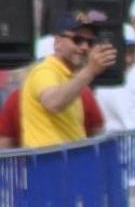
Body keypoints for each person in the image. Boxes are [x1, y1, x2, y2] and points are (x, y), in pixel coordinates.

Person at [19, 11, 116, 148]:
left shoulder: (71, 76)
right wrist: (90, 70)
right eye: (77, 40)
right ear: (58, 42)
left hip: (68, 164)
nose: (84, 47)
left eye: (90, 42)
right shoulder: (45, 70)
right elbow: (53, 102)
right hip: (48, 165)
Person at [95, 24, 135, 131]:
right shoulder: (104, 81)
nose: (128, 59)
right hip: (116, 146)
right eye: (122, 53)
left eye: (131, 52)